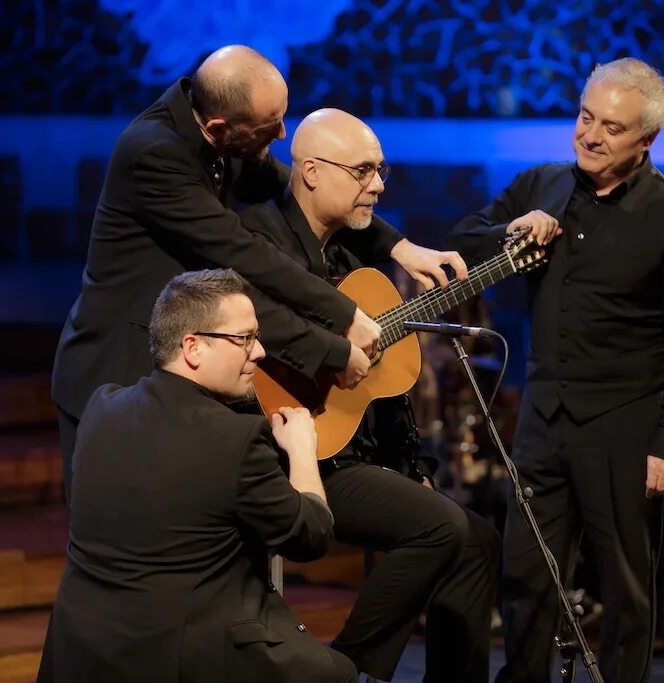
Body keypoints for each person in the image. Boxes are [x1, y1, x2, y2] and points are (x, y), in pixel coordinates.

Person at [51, 44, 464, 500]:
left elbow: (302, 190)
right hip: (116, 368)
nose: (283, 135)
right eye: (271, 128)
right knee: (120, 533)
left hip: (175, 371)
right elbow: (242, 250)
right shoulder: (153, 155)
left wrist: (399, 247)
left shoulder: (225, 133)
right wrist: (345, 316)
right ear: (219, 127)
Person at [446, 58, 664, 683]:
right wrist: (512, 231)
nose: (591, 135)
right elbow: (464, 237)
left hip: (625, 428)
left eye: (612, 128)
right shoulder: (542, 184)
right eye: (585, 117)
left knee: (625, 588)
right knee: (524, 574)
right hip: (544, 419)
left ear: (647, 140)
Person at [240, 108, 501, 683]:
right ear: (309, 172)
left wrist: (411, 468)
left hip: (356, 450)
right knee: (441, 528)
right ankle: (345, 667)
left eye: (381, 170)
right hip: (292, 448)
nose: (378, 185)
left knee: (478, 538)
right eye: (363, 171)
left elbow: (381, 391)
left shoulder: (353, 253)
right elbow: (262, 326)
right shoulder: (258, 241)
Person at [39, 269, 356, 683]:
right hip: (179, 657)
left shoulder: (101, 408)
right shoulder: (236, 439)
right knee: (339, 674)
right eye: (244, 338)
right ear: (192, 347)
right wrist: (301, 451)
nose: (259, 352)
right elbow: (310, 536)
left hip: (80, 652)